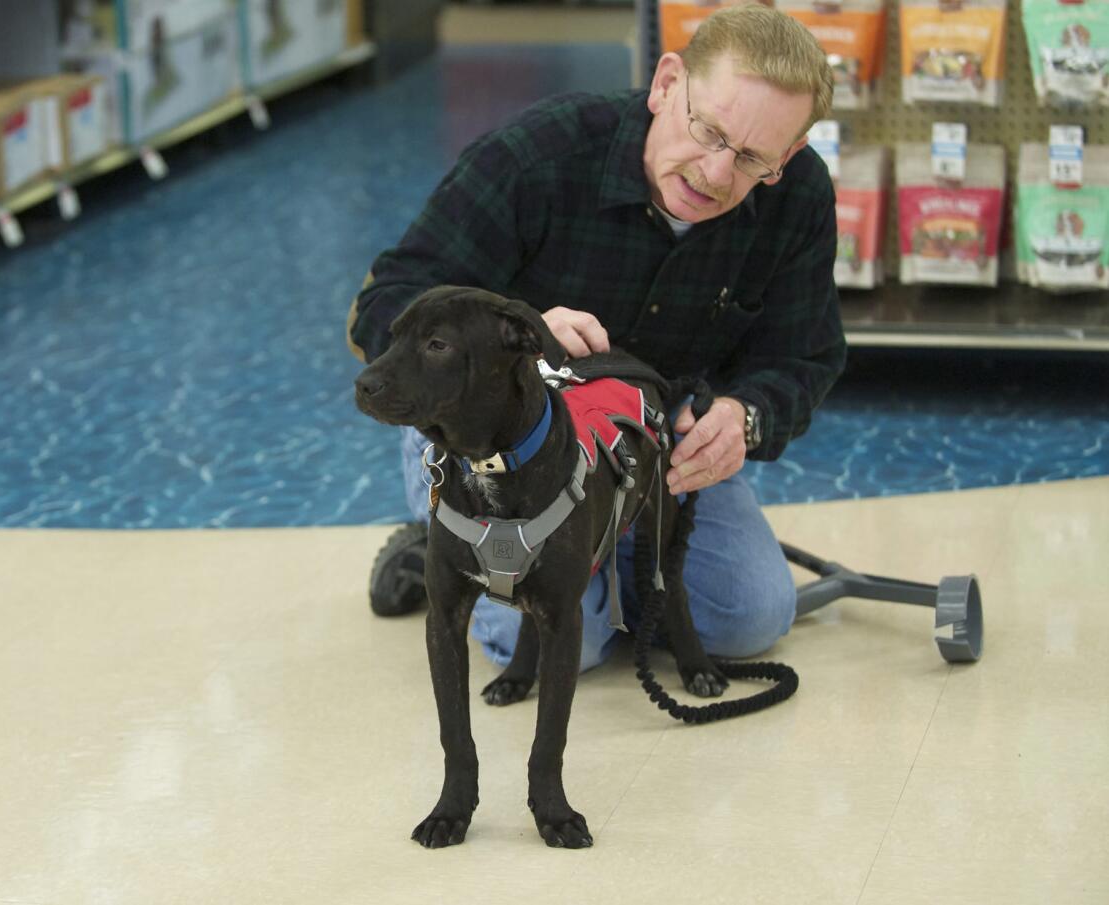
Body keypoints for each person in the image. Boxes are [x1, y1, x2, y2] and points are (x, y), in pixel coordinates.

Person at [346, 3, 846, 672]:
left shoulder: (799, 197)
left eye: (755, 158)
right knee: (560, 644)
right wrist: (512, 336)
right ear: (667, 83)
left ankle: (593, 561)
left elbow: (800, 356)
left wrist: (742, 417)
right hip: (506, 434)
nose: (718, 174)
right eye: (708, 131)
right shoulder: (536, 157)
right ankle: (442, 541)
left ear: (790, 155)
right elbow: (388, 300)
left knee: (748, 618)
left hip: (650, 442)